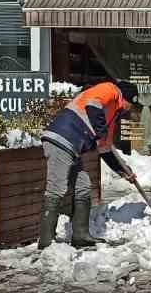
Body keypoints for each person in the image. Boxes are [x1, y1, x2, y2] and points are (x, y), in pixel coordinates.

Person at [39, 80, 139, 248]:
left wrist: (123, 171)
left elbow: (104, 148)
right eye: (133, 105)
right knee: (56, 188)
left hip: (73, 147)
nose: (131, 110)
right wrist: (101, 131)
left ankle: (81, 235)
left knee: (83, 186)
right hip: (61, 138)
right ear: (128, 98)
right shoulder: (110, 90)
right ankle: (46, 241)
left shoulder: (112, 114)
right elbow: (92, 104)